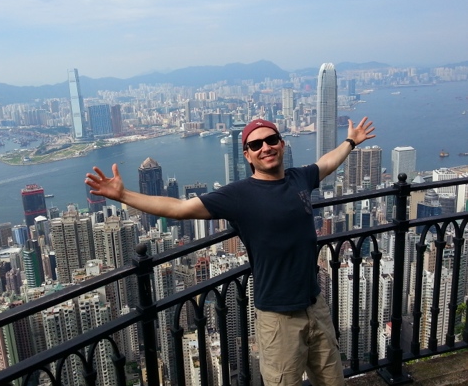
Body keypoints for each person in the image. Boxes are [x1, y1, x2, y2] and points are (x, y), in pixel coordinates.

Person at [85, 116, 375, 386]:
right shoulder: (238, 195)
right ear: (247, 155)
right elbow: (180, 208)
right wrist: (123, 195)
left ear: (282, 143)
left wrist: (350, 142)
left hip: (315, 305)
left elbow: (326, 163)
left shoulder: (299, 178)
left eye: (271, 140)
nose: (265, 147)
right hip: (278, 317)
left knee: (333, 380)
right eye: (256, 145)